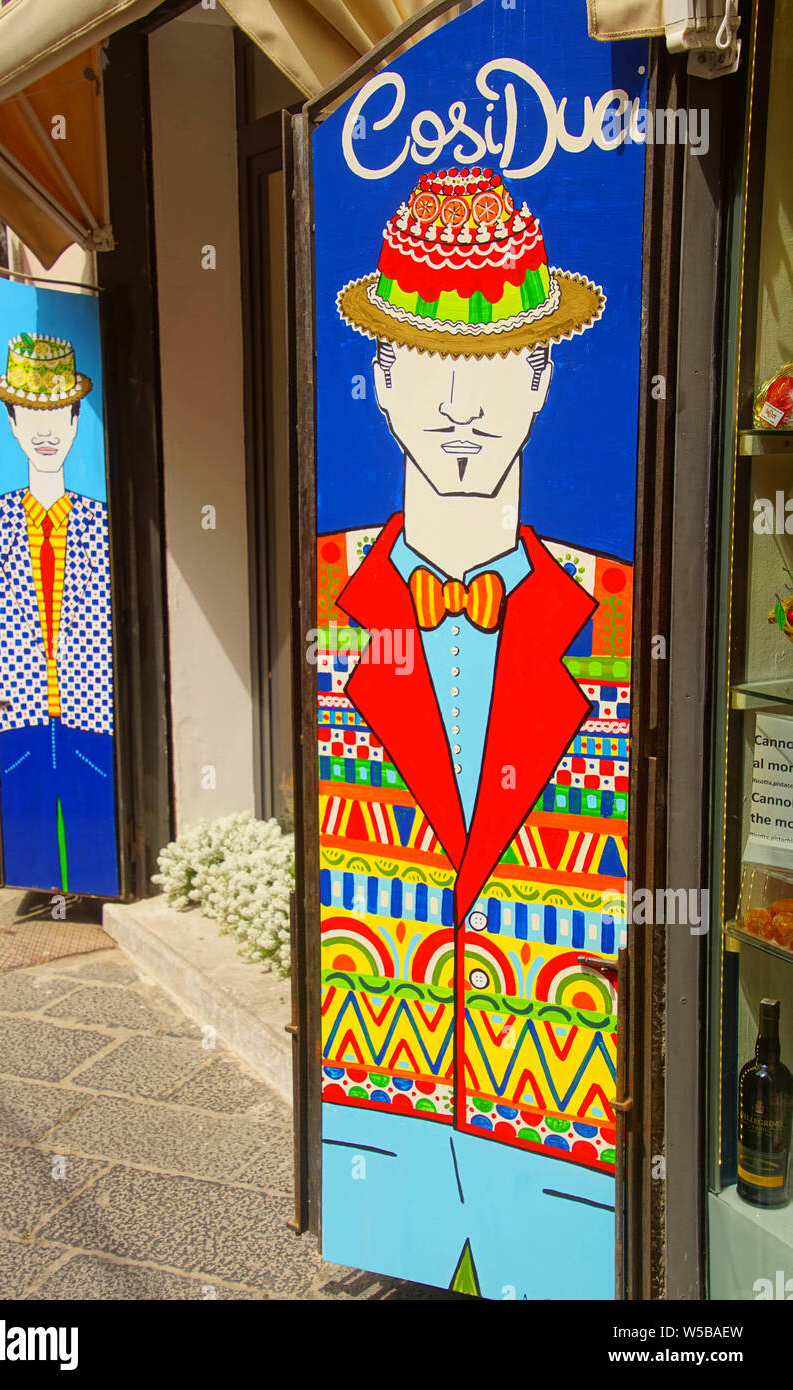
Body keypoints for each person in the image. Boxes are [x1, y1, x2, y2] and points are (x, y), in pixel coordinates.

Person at [317, 168, 632, 1297]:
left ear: (540, 378)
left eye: (493, 366)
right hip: (378, 1102)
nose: (461, 407)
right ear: (384, 383)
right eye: (433, 367)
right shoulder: (331, 592)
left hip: (553, 1131)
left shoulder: (614, 606)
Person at [0, 332, 118, 897]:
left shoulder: (101, 522)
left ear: (74, 420)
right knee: (31, 832)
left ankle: (88, 889)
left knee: (94, 837)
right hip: (21, 713)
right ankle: (46, 889)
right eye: (30, 414)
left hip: (93, 711)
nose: (44, 431)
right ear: (12, 422)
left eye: (58, 413)